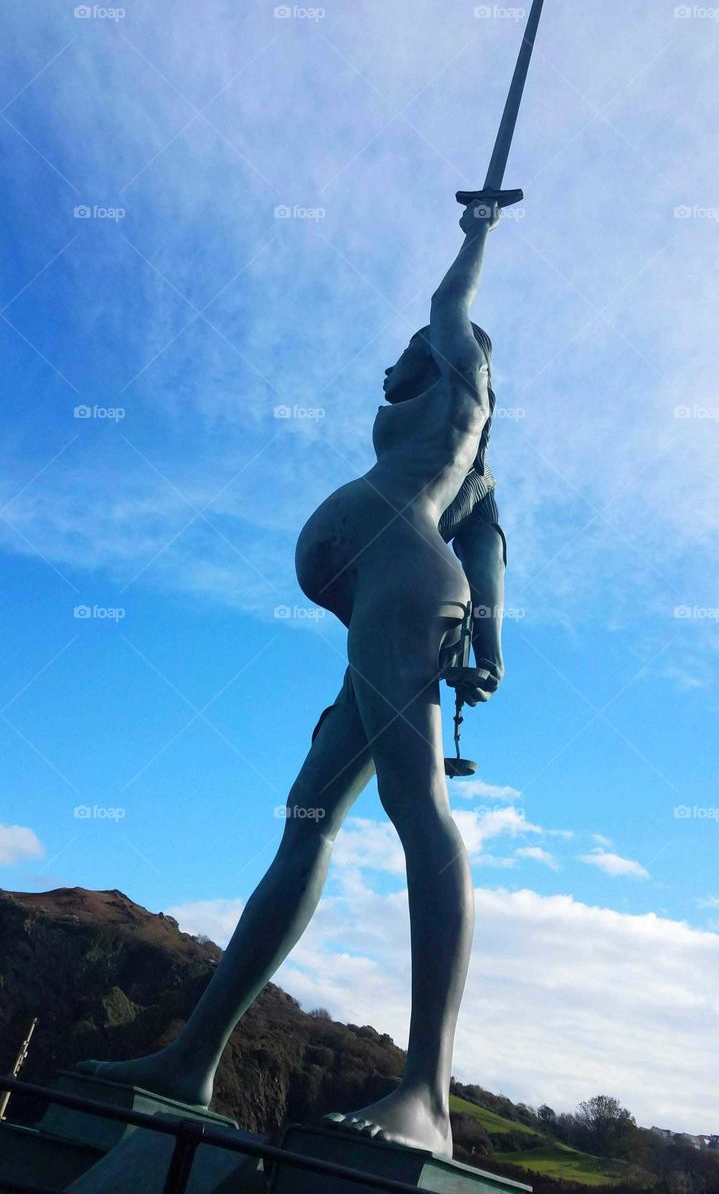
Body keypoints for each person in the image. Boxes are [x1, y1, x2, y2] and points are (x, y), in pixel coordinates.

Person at [79, 199, 507, 1157]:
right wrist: (488, 645)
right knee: (307, 818)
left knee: (415, 800)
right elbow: (487, 551)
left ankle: (426, 1097)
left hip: (397, 584)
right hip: (380, 601)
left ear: (451, 356)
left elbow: (449, 301)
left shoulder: (459, 384)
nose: (395, 359)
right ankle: (191, 1059)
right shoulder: (468, 467)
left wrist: (475, 229)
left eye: (412, 344)